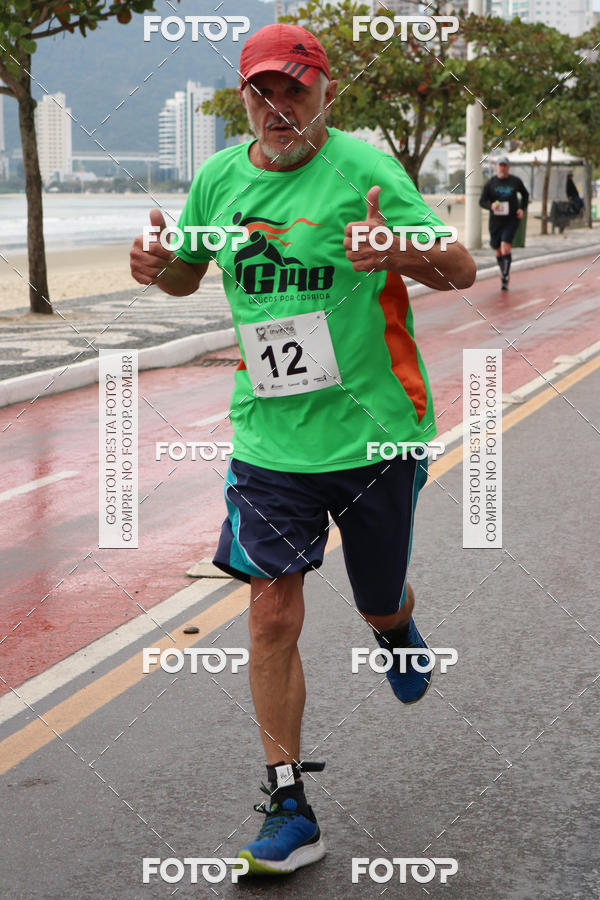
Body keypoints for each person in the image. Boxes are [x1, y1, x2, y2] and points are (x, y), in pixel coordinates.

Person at [130, 23, 476, 877]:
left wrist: (395, 248)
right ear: (242, 97)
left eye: (293, 89)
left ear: (326, 92)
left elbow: (461, 267)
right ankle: (290, 802)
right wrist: (156, 262)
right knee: (271, 612)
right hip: (269, 438)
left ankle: (396, 626)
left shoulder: (363, 169)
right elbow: (185, 276)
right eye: (261, 91)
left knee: (374, 601)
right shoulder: (219, 178)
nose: (276, 107)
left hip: (375, 435)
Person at [479, 157, 529, 291]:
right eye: (500, 165)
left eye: (505, 165)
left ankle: (505, 276)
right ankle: (503, 271)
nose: (503, 168)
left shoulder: (515, 181)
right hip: (495, 221)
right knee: (498, 250)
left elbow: (525, 195)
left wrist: (521, 208)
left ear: (508, 167)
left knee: (505, 246)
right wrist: (491, 206)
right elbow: (482, 201)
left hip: (511, 219)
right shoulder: (490, 183)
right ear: (496, 166)